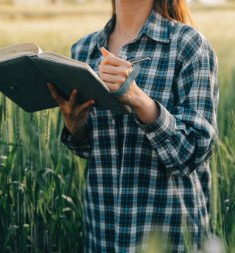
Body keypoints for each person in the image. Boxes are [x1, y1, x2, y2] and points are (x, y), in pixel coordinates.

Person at [47, 0, 219, 252]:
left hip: (170, 237)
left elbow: (192, 153)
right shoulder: (83, 51)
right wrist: (76, 126)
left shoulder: (189, 45)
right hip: (103, 234)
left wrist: (140, 101)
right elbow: (90, 150)